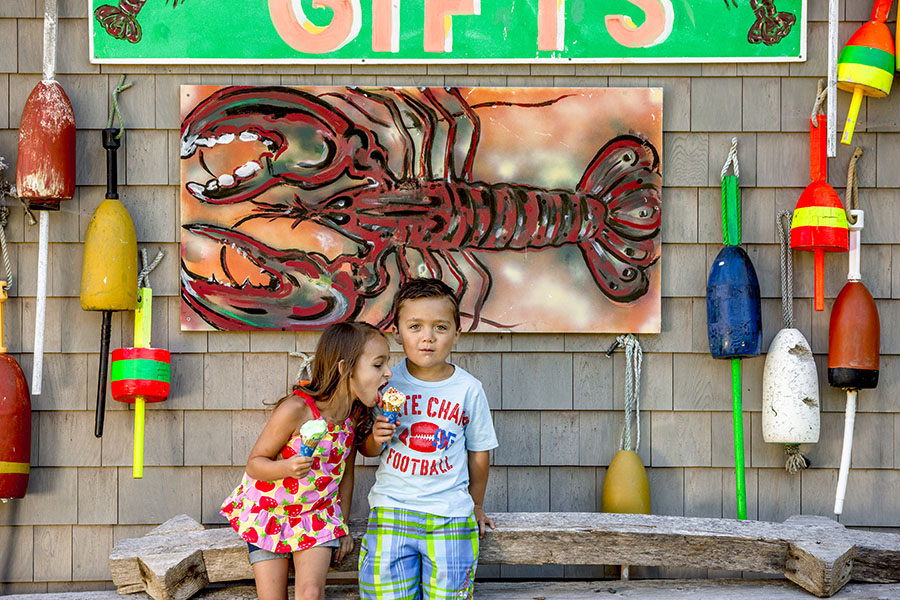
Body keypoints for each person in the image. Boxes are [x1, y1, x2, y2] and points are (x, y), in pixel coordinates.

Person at [221, 321, 394, 600]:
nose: (388, 372)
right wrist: (286, 467)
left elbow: (345, 474)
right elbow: (255, 464)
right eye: (378, 365)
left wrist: (343, 524)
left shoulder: (354, 416)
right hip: (269, 512)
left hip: (316, 516)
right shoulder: (297, 409)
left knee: (311, 594)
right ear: (344, 369)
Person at [358, 278, 499, 600]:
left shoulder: (468, 389)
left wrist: (476, 505)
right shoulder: (385, 382)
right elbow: (365, 449)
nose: (427, 338)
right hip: (392, 508)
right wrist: (375, 438)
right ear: (397, 332)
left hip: (450, 513)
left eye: (440, 327)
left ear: (456, 334)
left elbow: (479, 453)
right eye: (415, 326)